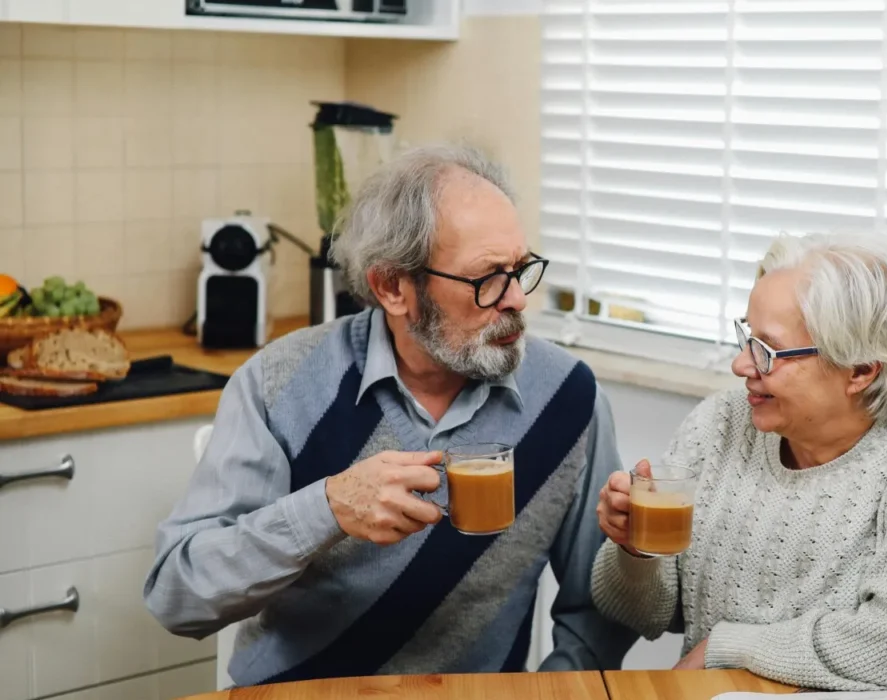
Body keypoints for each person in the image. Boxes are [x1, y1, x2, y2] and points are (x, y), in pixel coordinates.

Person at [143, 143, 637, 685]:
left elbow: (597, 610)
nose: (517, 298)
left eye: (520, 269)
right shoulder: (278, 384)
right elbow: (178, 595)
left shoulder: (568, 399)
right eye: (488, 278)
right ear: (393, 287)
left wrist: (552, 694)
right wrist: (326, 510)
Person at [591, 231, 887, 691]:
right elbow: (636, 612)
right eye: (746, 336)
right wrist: (634, 550)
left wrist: (727, 647)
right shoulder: (719, 424)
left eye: (767, 350)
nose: (741, 366)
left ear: (860, 370)